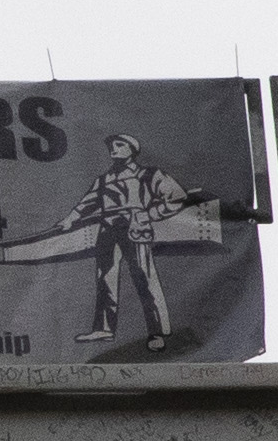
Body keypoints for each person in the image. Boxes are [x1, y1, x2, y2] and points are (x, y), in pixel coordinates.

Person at [63, 130, 203, 352]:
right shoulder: (103, 180)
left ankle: (157, 331)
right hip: (108, 230)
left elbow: (177, 197)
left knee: (144, 277)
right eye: (111, 146)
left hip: (135, 228)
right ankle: (104, 329)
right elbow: (85, 204)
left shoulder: (148, 174)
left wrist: (150, 214)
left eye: (119, 145)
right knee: (105, 279)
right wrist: (69, 221)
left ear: (132, 150)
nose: (113, 149)